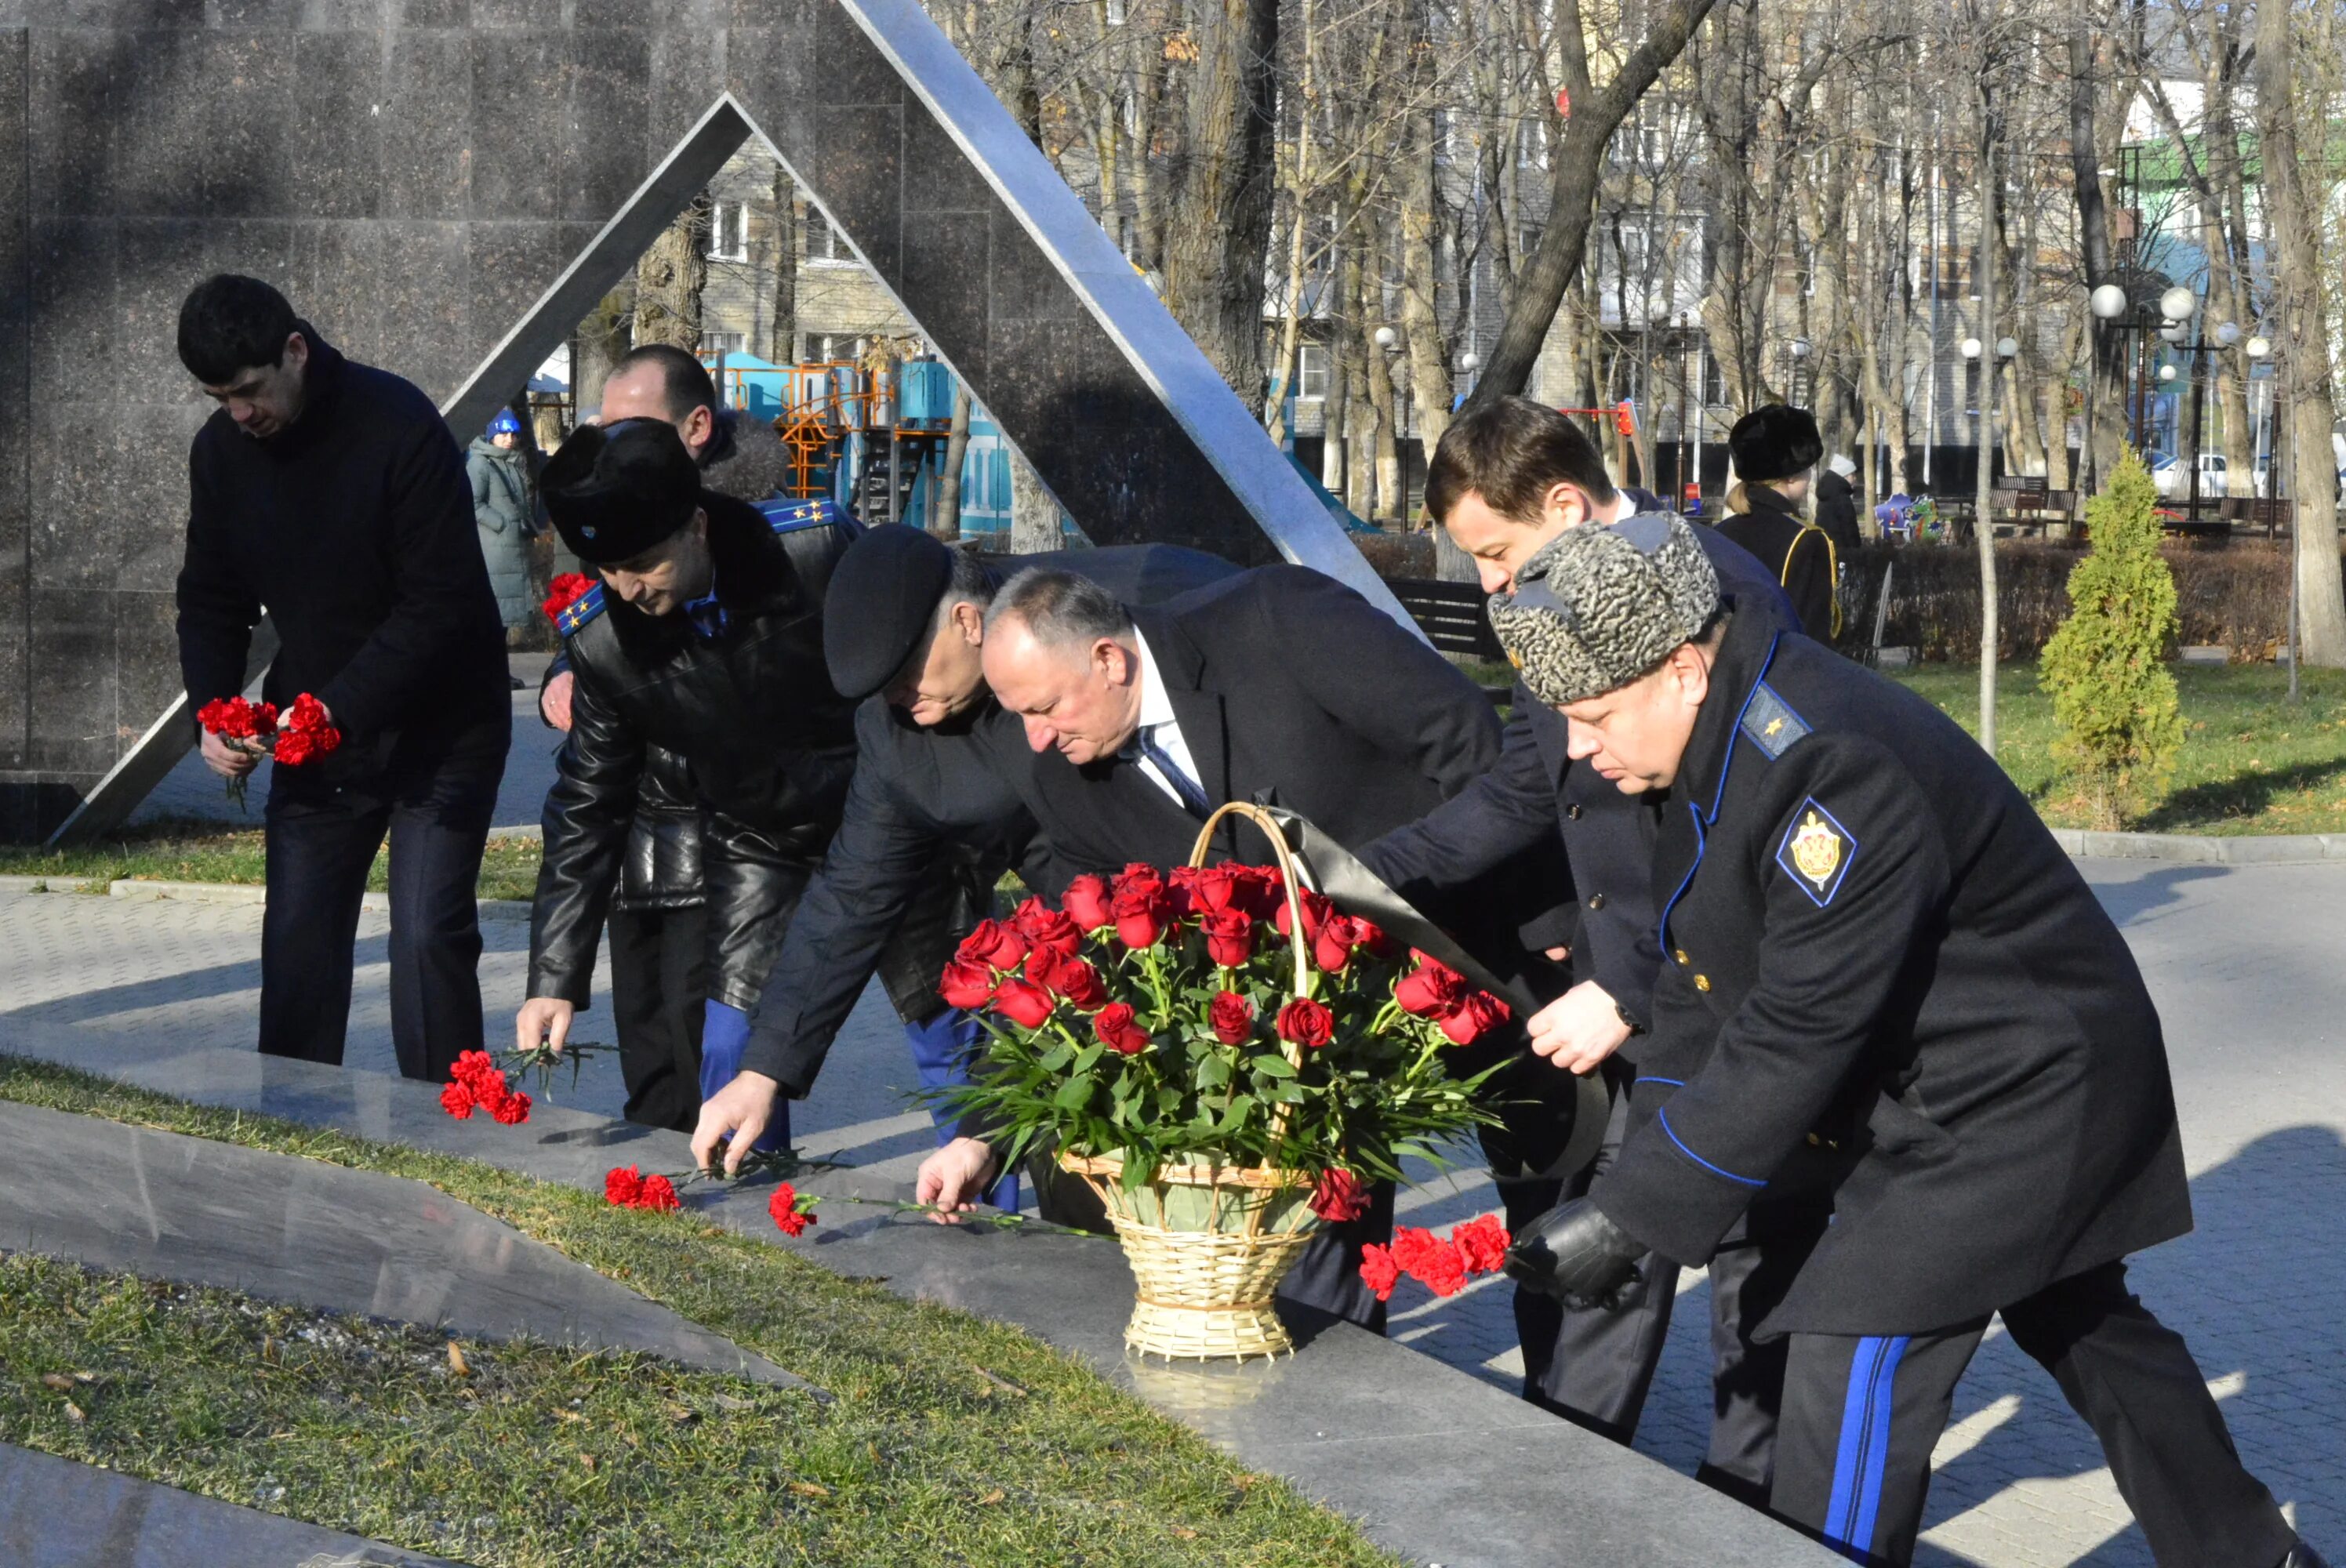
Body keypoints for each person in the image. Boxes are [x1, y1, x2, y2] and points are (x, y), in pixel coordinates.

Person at [1491, 516, 2325, 1568]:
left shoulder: (1824, 760)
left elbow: (1800, 1024)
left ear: (1683, 669)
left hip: (2021, 1090)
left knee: (1855, 1349)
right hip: (1948, 1076)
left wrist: (1638, 1215)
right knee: (2079, 1319)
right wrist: (1635, 1196)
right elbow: (1703, 986)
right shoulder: (1716, 743)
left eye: (1594, 715)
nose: (1577, 746)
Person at [915, 561, 1579, 1330]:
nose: (1035, 737)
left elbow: (1473, 748)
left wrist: (1548, 925)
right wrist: (980, 1137)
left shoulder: (1277, 620)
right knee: (1319, 1281)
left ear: (1109, 659)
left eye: (1046, 707)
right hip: (1311, 1054)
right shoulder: (1064, 773)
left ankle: (1571, 1435)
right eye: (1018, 714)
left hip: (1477, 946)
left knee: (1559, 1212)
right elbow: (1086, 949)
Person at [1358, 394, 1807, 1495]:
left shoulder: (1721, 598)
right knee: (1602, 1263)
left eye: (1498, 553)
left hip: (1712, 1006)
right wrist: (1367, 877)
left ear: (1565, 503)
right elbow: (1524, 788)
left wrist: (1633, 991)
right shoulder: (1547, 603)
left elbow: (1742, 837)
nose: (1491, 585)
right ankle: (1560, 1495)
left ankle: (1751, 1518)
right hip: (1612, 994)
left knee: (1752, 1282)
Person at [689, 525, 1237, 1192]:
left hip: (1228, 902)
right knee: (1078, 1169)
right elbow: (854, 896)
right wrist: (762, 1071)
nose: (898, 699)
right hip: (1087, 939)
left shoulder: (1109, 633)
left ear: (968, 622)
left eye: (904, 672)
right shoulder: (899, 734)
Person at [172, 274, 510, 1081]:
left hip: (444, 722)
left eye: (250, 390)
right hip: (317, 733)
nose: (239, 413)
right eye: (220, 398)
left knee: (428, 935)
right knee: (298, 939)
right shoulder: (223, 452)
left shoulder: (395, 422)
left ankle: (446, 1127)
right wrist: (213, 708)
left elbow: (440, 602)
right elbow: (212, 594)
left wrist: (336, 707)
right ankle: (294, 1124)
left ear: (295, 351)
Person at [518, 419, 859, 1153]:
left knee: (955, 1037)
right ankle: (747, 1216)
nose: (628, 590)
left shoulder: (816, 553)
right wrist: (554, 975)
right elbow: (587, 805)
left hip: (885, 823)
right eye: (608, 571)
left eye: (643, 562)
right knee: (730, 1053)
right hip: (758, 842)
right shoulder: (603, 642)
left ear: (697, 525)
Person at [1716, 405, 1839, 642]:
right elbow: (1813, 630)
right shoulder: (1806, 539)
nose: (1811, 475)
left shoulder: (1719, 533)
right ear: (1791, 475)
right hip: (1780, 671)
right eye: (1808, 468)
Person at [468, 409, 536, 688]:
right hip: (495, 550)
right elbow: (471, 502)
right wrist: (501, 523)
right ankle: (488, 673)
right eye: (503, 433)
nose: (509, 439)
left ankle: (497, 672)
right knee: (494, 615)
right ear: (492, 434)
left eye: (513, 434)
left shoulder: (509, 463)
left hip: (510, 549)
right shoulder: (480, 464)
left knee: (503, 617)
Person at [1814, 452, 1863, 562]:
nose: (1855, 478)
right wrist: (1856, 554)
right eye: (1853, 475)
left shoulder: (1826, 494)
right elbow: (1850, 529)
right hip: (1843, 553)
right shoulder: (1842, 498)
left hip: (1826, 548)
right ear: (1844, 476)